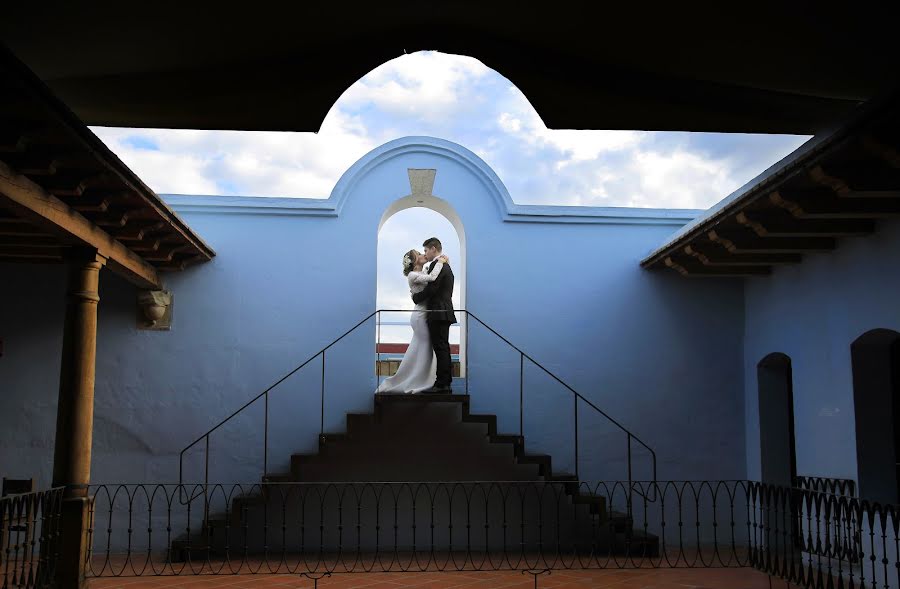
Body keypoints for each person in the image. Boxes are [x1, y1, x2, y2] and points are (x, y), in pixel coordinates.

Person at [375, 249, 448, 394]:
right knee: (425, 346)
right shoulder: (413, 275)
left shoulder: (422, 272)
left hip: (425, 313)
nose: (423, 255)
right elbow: (433, 278)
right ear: (415, 261)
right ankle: (420, 379)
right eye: (419, 254)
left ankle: (421, 378)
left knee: (423, 347)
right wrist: (441, 261)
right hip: (420, 315)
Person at [412, 237, 457, 394]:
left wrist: (415, 298)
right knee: (442, 346)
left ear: (433, 248)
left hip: (438, 312)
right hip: (443, 311)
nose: (425, 253)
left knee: (440, 347)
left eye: (425, 250)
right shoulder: (444, 265)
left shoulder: (438, 265)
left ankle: (442, 384)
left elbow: (432, 289)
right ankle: (444, 382)